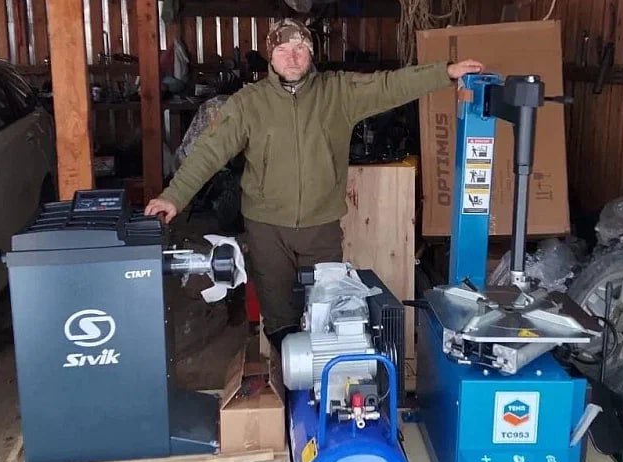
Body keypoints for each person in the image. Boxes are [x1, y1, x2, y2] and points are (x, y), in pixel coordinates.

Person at [146, 18, 484, 336]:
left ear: (311, 54)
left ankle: (319, 375)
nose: (292, 57)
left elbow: (389, 85)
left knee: (326, 313)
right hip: (267, 229)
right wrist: (173, 196)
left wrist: (444, 73)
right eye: (282, 50)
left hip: (321, 228)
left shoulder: (338, 92)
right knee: (278, 317)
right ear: (271, 57)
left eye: (300, 49)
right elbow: (209, 151)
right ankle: (287, 369)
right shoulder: (248, 103)